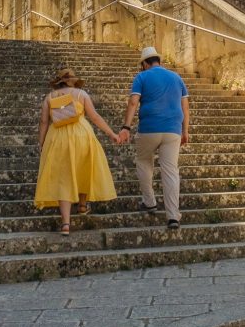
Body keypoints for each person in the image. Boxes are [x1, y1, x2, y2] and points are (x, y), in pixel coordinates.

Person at [34, 67, 119, 235]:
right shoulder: (81, 94)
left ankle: (66, 224)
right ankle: (82, 205)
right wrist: (111, 133)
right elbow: (94, 117)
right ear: (73, 80)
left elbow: (44, 121)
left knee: (63, 178)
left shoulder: (49, 97)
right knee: (83, 169)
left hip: (57, 137)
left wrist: (42, 142)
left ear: (58, 82)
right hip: (82, 134)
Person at [117, 45, 189, 232]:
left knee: (143, 161)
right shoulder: (177, 77)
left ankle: (149, 202)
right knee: (171, 171)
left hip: (149, 128)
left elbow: (133, 102)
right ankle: (173, 216)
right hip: (173, 129)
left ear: (145, 64)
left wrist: (126, 127)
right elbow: (185, 107)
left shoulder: (142, 77)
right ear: (159, 61)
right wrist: (185, 131)